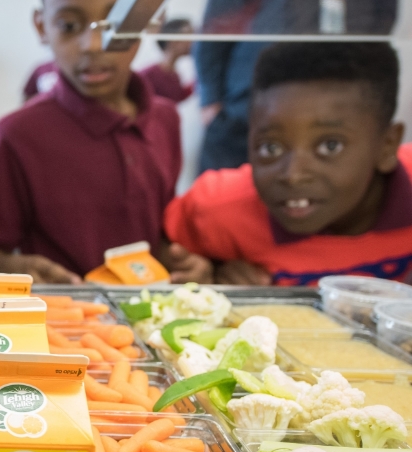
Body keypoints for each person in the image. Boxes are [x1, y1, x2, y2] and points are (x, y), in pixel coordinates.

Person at [0, 0, 210, 284]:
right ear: (41, 25)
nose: (93, 45)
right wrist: (18, 270)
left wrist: (184, 262)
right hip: (63, 327)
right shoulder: (18, 135)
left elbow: (158, 237)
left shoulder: (165, 120)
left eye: (115, 23)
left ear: (152, 18)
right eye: (69, 25)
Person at [167, 42, 412, 286]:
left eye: (329, 146)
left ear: (387, 145)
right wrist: (206, 274)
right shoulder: (218, 207)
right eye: (270, 148)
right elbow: (161, 249)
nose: (293, 175)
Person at [195, 0, 399, 173]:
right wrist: (211, 99)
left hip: (337, 105)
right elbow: (220, 14)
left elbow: (382, 23)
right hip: (251, 102)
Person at [141, 18, 194, 105]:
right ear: (174, 40)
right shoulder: (148, 74)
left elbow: (176, 97)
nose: (193, 42)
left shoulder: (175, 75)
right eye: (189, 36)